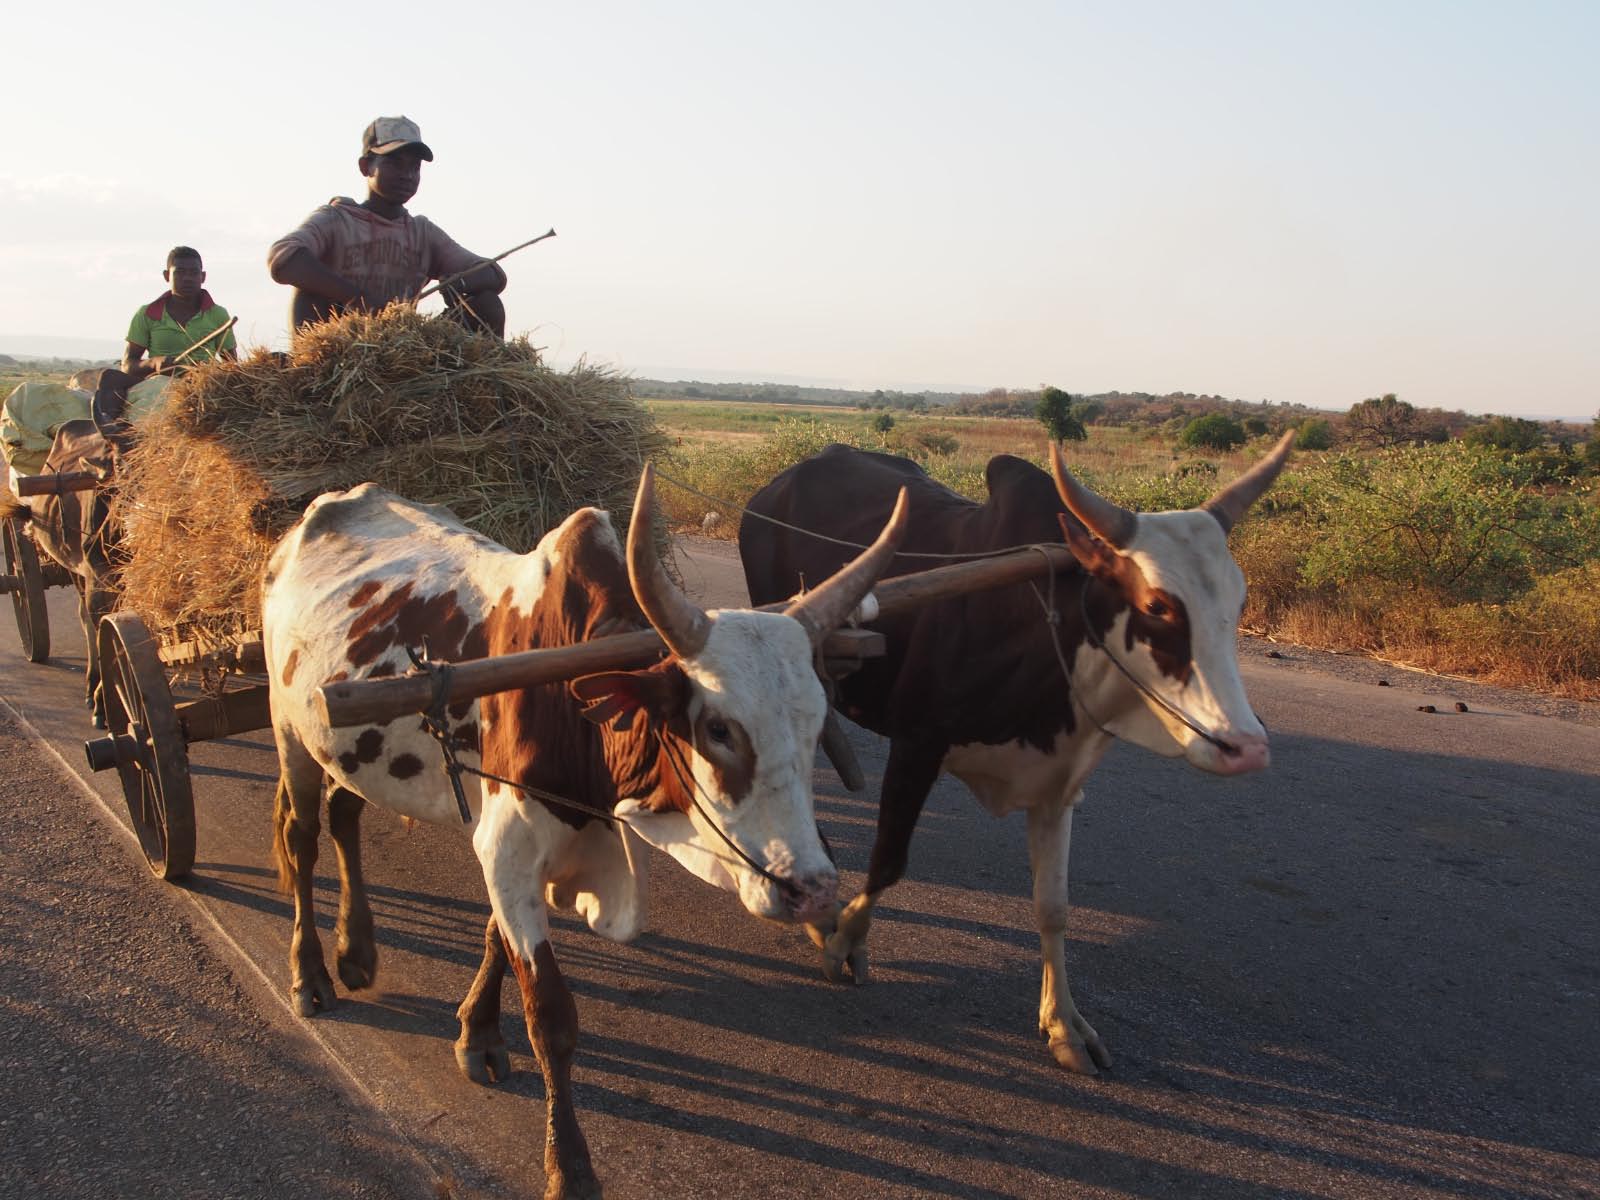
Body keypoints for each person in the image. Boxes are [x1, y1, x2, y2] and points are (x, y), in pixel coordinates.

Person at [267, 116, 506, 339]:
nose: (407, 175)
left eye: (414, 167)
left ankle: (485, 381)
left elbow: (494, 275)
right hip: (338, 348)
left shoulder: (421, 232)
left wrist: (462, 282)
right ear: (365, 167)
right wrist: (357, 298)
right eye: (394, 164)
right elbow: (283, 259)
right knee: (312, 289)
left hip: (397, 347)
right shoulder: (337, 219)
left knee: (486, 303)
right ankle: (311, 370)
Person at [122, 246, 238, 377]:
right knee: (108, 378)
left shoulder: (218, 314)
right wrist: (154, 363)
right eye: (180, 272)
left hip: (202, 387)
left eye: (194, 272)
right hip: (158, 387)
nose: (187, 278)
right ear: (167, 276)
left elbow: (232, 365)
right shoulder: (148, 313)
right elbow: (127, 366)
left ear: (203, 277)